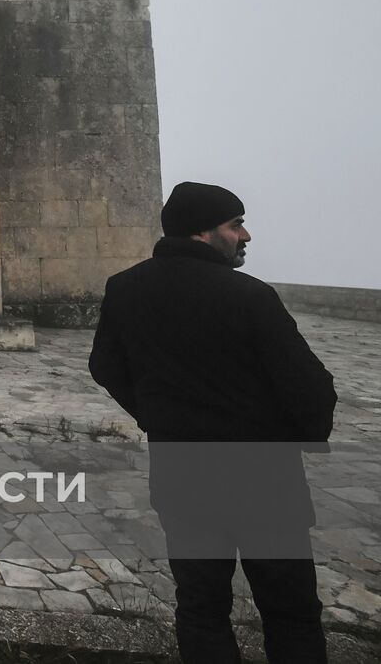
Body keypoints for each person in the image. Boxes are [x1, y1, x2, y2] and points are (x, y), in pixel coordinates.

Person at [90, 181, 336, 664]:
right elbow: (309, 387)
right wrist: (300, 435)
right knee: (290, 611)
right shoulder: (249, 296)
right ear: (203, 232)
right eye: (236, 224)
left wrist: (156, 416)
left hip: (181, 475)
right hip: (266, 480)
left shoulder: (125, 288)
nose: (245, 235)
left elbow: (104, 366)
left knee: (201, 608)